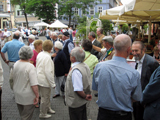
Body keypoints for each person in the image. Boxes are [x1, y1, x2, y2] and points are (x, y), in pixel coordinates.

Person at [92, 34, 142, 120]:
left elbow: (96, 88)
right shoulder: (134, 73)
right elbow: (136, 97)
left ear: (114, 48)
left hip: (103, 114)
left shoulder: (99, 67)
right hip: (123, 115)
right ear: (129, 49)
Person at [132, 41, 159, 120]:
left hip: (145, 100)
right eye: (132, 51)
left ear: (143, 50)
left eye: (136, 51)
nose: (134, 53)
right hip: (136, 99)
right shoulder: (137, 60)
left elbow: (154, 84)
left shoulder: (152, 63)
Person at [10, 46, 39, 120]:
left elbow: (11, 79)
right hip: (27, 96)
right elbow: (34, 84)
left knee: (22, 113)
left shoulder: (15, 64)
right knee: (26, 116)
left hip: (17, 93)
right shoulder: (30, 66)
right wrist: (37, 95)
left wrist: (13, 88)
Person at [65, 47, 92, 120]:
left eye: (70, 55)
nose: (69, 56)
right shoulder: (84, 65)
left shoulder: (76, 70)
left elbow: (78, 89)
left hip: (76, 103)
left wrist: (85, 96)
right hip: (82, 103)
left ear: (73, 58)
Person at [36, 40, 56, 119]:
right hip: (44, 80)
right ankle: (43, 113)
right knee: (45, 97)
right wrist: (53, 83)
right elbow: (48, 72)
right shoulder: (47, 57)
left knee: (45, 96)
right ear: (51, 48)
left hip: (39, 78)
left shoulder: (40, 54)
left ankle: (48, 108)